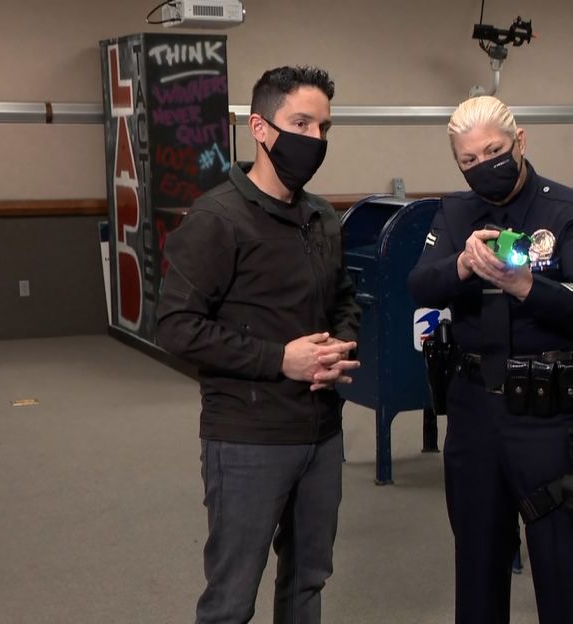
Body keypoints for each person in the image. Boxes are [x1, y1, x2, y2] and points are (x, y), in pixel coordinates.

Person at [155, 66, 360, 624]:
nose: (314, 139)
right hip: (248, 439)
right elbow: (175, 326)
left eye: (323, 127)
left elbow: (344, 301)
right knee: (232, 598)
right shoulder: (217, 219)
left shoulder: (322, 219)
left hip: (321, 433)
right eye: (300, 123)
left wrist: (340, 345)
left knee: (308, 582)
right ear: (260, 128)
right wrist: (281, 360)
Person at [408, 95, 573, 624]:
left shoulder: (567, 211)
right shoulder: (455, 212)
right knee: (477, 565)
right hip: (475, 410)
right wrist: (460, 265)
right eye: (469, 160)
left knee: (564, 569)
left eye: (494, 151)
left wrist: (527, 286)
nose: (484, 166)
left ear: (519, 142)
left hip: (549, 413)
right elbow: (419, 284)